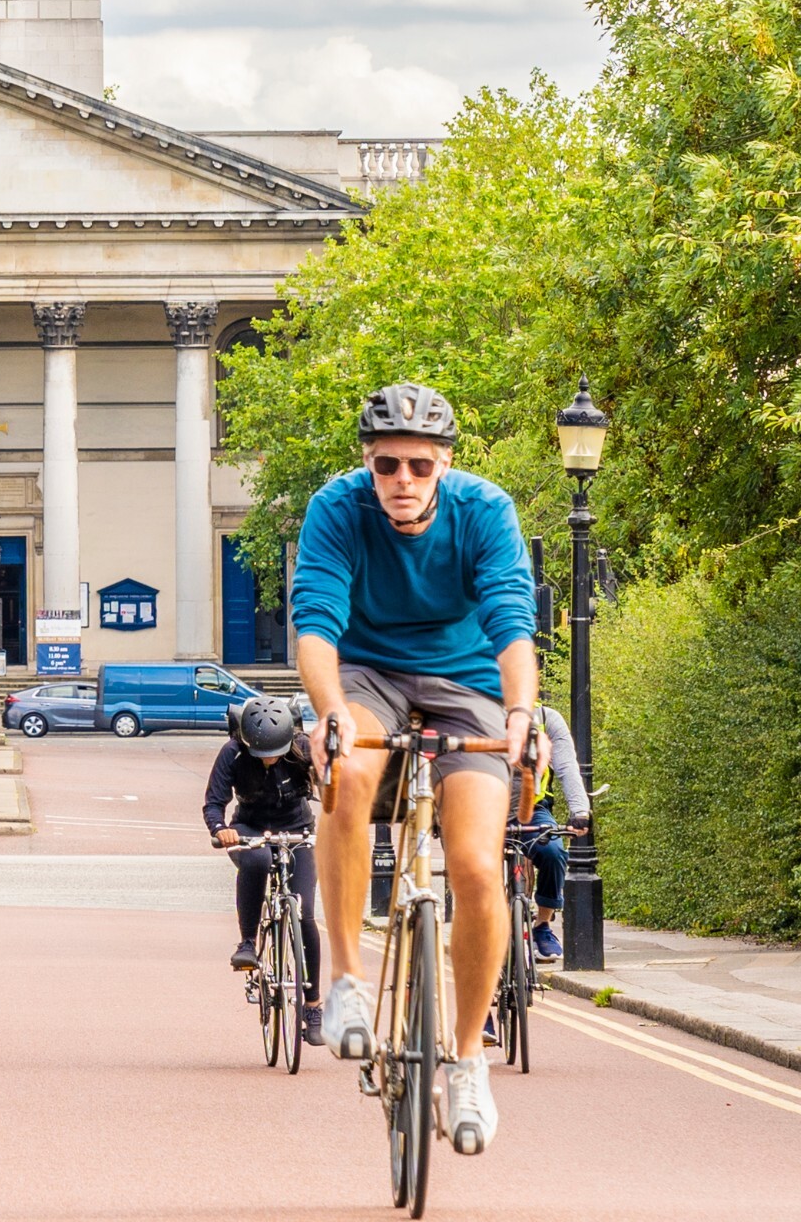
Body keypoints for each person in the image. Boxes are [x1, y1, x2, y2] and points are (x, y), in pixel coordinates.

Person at [294, 382, 541, 1157]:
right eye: (387, 464)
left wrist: (521, 715)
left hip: (466, 683)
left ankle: (468, 1059)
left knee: (473, 864)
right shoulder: (337, 509)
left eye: (419, 466)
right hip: (368, 676)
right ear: (368, 463)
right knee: (350, 771)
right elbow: (316, 625)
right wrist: (330, 710)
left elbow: (510, 621)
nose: (403, 479)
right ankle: (346, 982)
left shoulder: (485, 510)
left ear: (445, 465)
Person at [205, 696, 325, 1048]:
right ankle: (248, 942)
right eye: (262, 753)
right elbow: (214, 802)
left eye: (274, 752)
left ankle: (313, 1007)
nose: (268, 759)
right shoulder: (233, 752)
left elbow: (330, 786)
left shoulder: (302, 748)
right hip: (251, 828)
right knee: (256, 862)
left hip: (298, 829)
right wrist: (219, 828)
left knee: (304, 913)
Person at [520, 703, 592, 964]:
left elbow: (566, 767)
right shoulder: (476, 707)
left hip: (533, 809)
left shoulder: (545, 718)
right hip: (485, 807)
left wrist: (580, 810)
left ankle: (542, 925)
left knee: (554, 851)